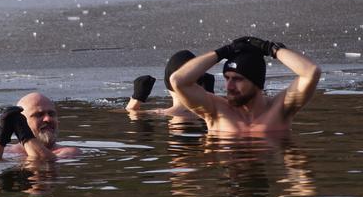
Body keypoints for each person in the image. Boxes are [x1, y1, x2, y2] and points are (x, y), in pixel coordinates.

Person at [170, 36, 321, 134]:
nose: (229, 86)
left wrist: (272, 49)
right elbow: (178, 81)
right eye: (227, 78)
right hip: (229, 180)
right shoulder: (215, 111)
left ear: (256, 82)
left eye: (237, 79)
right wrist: (222, 52)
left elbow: (311, 72)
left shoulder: (279, 109)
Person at [0, 92, 80, 160]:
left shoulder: (69, 152)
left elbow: (44, 161)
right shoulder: (9, 152)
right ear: (22, 121)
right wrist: (0, 137)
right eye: (39, 115)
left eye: (51, 114)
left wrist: (25, 135)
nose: (48, 119)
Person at [126, 50, 215, 117]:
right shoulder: (214, 111)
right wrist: (209, 96)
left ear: (168, 82)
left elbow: (131, 114)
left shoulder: (162, 113)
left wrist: (136, 99)